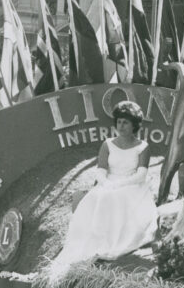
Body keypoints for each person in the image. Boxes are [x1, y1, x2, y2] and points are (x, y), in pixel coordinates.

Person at [49, 101, 156, 273]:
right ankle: (93, 241)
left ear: (134, 125)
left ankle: (111, 242)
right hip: (108, 183)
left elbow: (141, 175)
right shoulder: (108, 144)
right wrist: (106, 183)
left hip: (132, 186)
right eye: (119, 122)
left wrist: (119, 184)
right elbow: (100, 170)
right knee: (95, 197)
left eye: (126, 122)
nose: (121, 126)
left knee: (113, 198)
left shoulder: (143, 147)